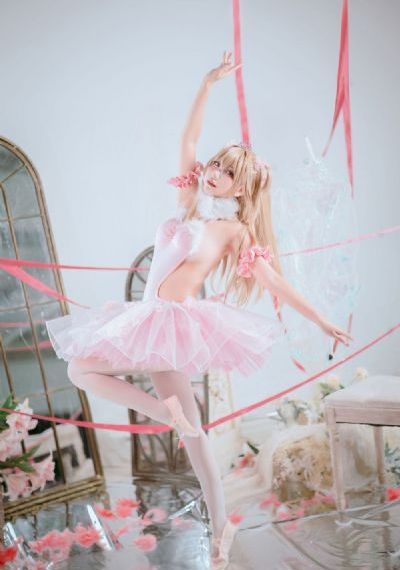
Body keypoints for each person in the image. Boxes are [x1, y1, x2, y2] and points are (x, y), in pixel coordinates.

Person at [45, 51, 353, 569]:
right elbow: (187, 140)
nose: (213, 173)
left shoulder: (235, 231)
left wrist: (322, 320)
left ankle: (216, 528)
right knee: (109, 385)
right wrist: (207, 85)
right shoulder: (190, 203)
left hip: (173, 323)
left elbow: (274, 282)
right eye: (214, 164)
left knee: (179, 432)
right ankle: (178, 435)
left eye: (226, 172)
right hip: (145, 317)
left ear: (242, 187)